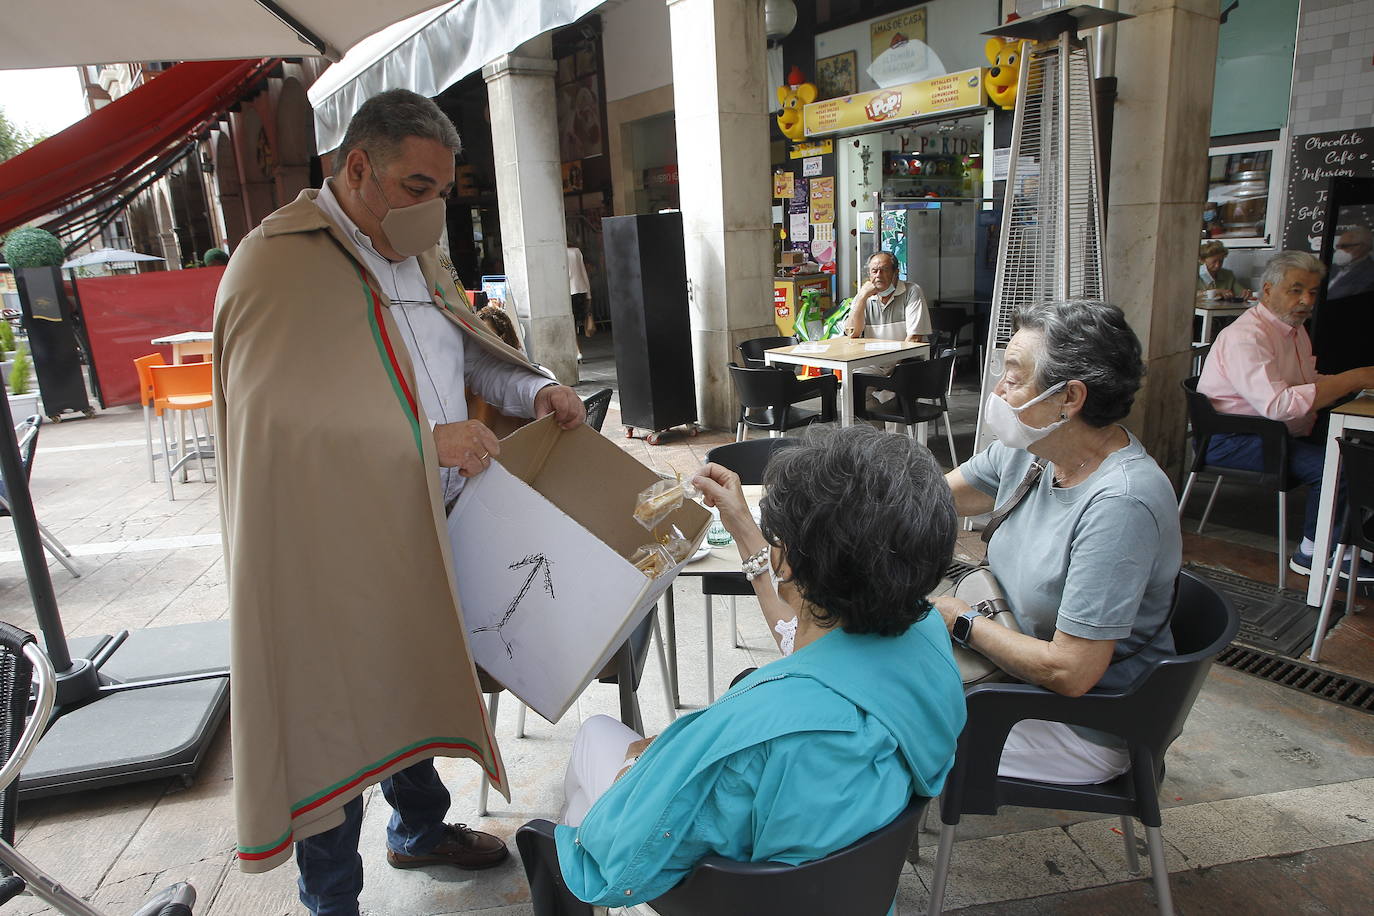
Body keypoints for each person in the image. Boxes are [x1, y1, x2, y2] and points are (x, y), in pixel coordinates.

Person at [213, 88, 585, 916]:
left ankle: (418, 829)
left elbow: (468, 361)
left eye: (443, 190)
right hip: (333, 546)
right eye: (418, 187)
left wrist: (537, 388)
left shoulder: (415, 253)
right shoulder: (278, 263)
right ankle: (332, 899)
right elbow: (281, 433)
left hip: (437, 521)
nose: (433, 208)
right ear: (356, 168)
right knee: (338, 714)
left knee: (411, 681)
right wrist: (424, 445)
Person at [552, 426, 966, 908]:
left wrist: (635, 770)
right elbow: (810, 641)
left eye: (777, 541)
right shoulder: (927, 638)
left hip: (736, 899)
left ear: (786, 559)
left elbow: (617, 848)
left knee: (594, 740)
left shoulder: (758, 737)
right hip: (861, 895)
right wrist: (747, 528)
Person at [939, 300, 1181, 785]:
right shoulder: (1031, 452)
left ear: (1069, 397)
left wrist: (960, 620)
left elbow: (1071, 671)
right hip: (1009, 678)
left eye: (1013, 375)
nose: (998, 390)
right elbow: (933, 498)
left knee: (873, 726)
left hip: (1086, 723)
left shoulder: (1121, 504)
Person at [1198, 250, 1374, 577]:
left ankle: (1343, 542)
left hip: (1275, 431)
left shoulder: (1294, 330)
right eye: (1295, 290)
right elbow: (1278, 405)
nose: (1306, 300)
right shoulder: (1247, 337)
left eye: (1312, 291)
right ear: (1267, 290)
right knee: (1336, 467)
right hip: (1235, 438)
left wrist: (1353, 385)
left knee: (1357, 449)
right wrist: (1355, 378)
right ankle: (1314, 552)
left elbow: (1305, 383)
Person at [842, 250, 931, 341]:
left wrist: (891, 356)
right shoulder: (864, 295)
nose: (878, 275)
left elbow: (914, 338)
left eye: (884, 270)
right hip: (873, 354)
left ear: (896, 273)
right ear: (869, 275)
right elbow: (852, 333)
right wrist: (862, 298)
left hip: (905, 354)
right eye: (874, 271)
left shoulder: (911, 291)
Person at [1327, 226, 1374, 299]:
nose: (1339, 251)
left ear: (1364, 247)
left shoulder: (1369, 275)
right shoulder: (1332, 268)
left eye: (1344, 246)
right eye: (1337, 247)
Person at [567, 244, 593, 361]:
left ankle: (577, 351)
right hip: (581, 289)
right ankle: (577, 350)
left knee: (570, 324)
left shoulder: (560, 253)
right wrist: (588, 294)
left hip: (569, 292)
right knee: (576, 322)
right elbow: (583, 272)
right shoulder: (576, 251)